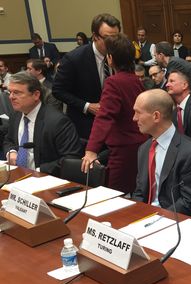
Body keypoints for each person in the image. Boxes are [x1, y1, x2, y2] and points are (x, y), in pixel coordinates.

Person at [81, 34, 147, 194]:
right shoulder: (135, 80)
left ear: (110, 58)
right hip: (140, 145)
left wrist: (91, 150)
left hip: (123, 150)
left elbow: (104, 116)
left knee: (116, 196)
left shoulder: (114, 82)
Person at [132, 89, 191, 219]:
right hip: (145, 217)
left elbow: (188, 203)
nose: (134, 118)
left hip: (175, 220)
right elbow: (140, 192)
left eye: (138, 112)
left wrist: (155, 220)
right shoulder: (144, 149)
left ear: (156, 116)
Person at [53, 13, 121, 142]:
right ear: (95, 36)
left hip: (116, 125)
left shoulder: (119, 53)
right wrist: (87, 106)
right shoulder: (74, 59)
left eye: (116, 38)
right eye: (107, 38)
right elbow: (58, 90)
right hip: (87, 126)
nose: (113, 43)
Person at [3, 72, 81, 176]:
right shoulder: (16, 114)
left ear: (36, 95)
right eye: (10, 92)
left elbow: (71, 158)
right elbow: (9, 140)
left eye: (17, 92)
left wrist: (39, 170)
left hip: (46, 180)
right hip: (18, 176)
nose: (11, 97)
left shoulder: (57, 121)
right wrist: (11, 151)